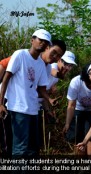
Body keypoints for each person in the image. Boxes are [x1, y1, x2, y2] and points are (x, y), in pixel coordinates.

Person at [0, 29, 58, 157]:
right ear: (32, 40)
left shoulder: (42, 65)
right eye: (40, 39)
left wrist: (49, 100)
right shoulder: (20, 55)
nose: (42, 43)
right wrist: (0, 104)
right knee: (20, 148)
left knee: (32, 148)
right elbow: (6, 78)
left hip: (33, 110)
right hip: (18, 107)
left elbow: (42, 89)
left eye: (45, 42)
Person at [63, 63, 91, 155]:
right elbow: (71, 105)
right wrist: (67, 123)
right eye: (89, 84)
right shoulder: (76, 82)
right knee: (77, 136)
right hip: (78, 109)